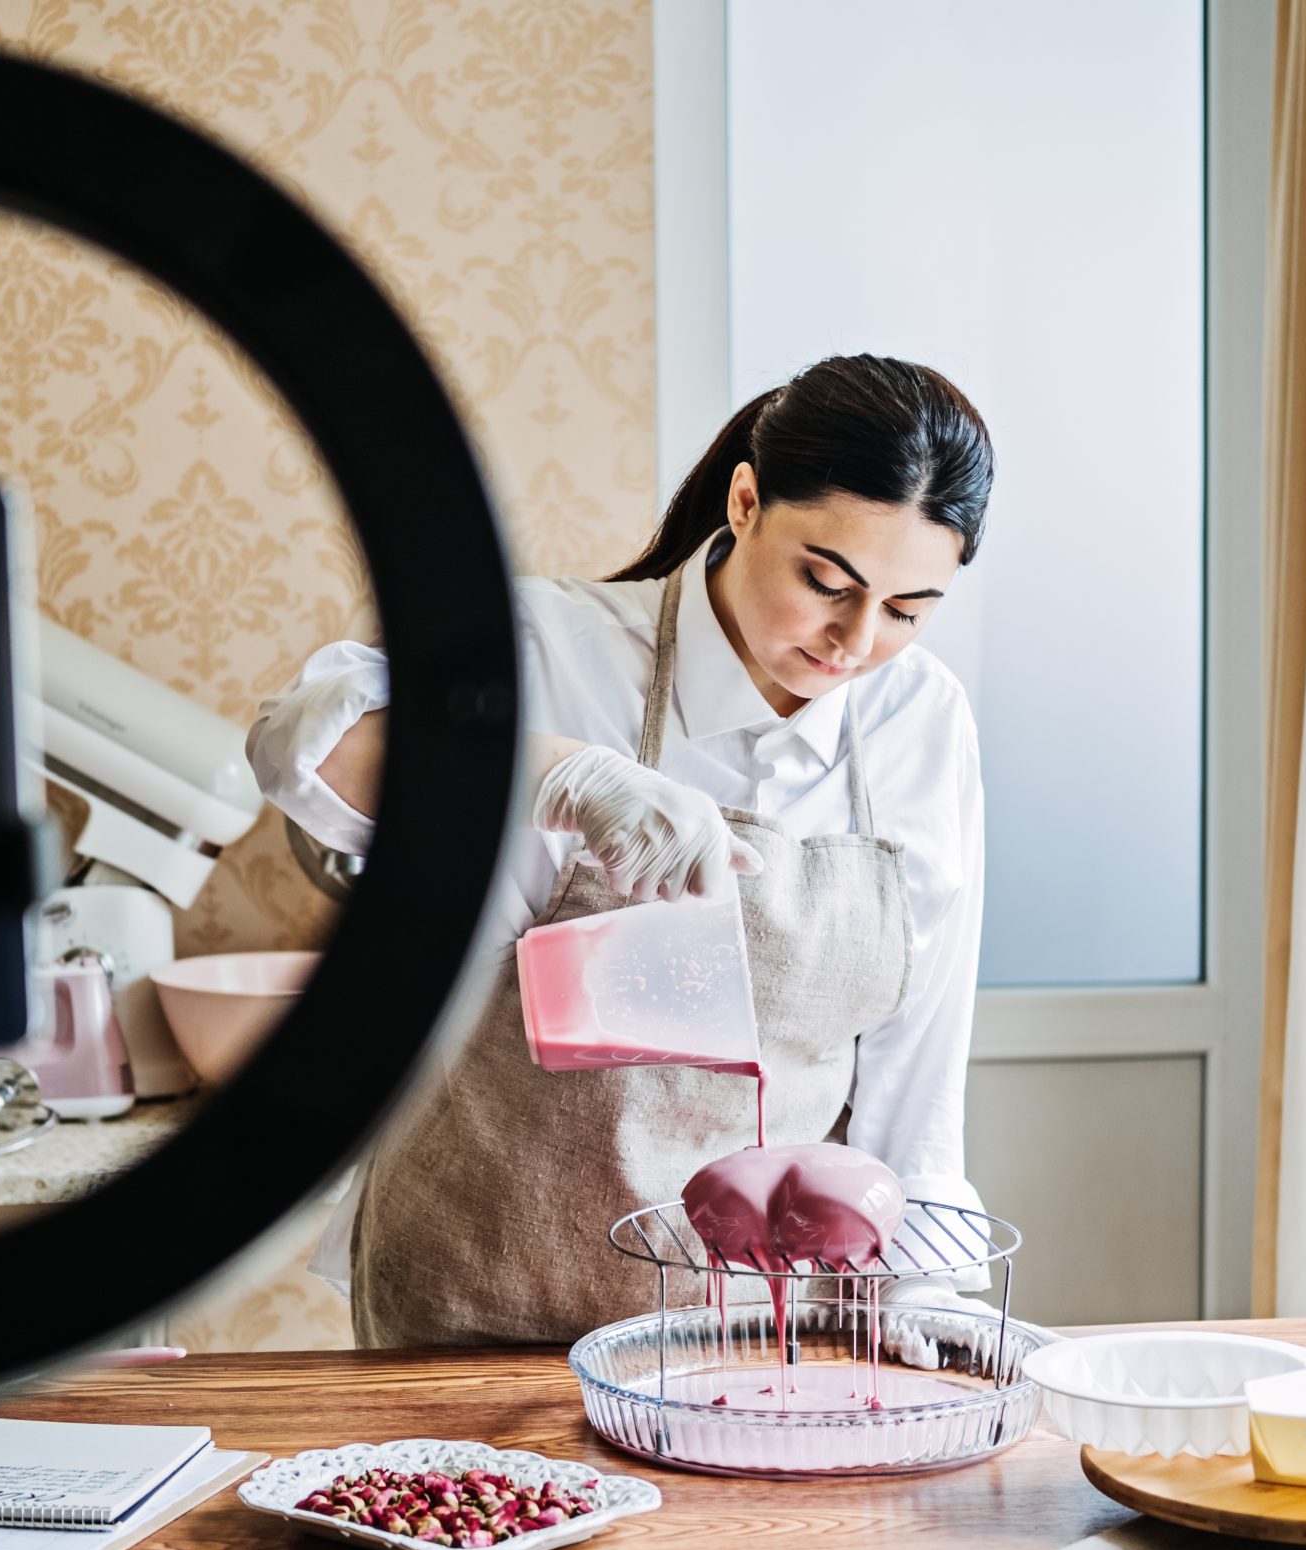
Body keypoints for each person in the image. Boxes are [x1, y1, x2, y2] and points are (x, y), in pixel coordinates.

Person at [250, 353, 995, 1347]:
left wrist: (920, 1290)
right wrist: (556, 772)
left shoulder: (921, 720)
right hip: (484, 1308)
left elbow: (919, 1059)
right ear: (743, 499)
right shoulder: (554, 645)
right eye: (825, 581)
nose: (852, 642)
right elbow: (294, 741)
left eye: (907, 611)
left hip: (749, 1333)